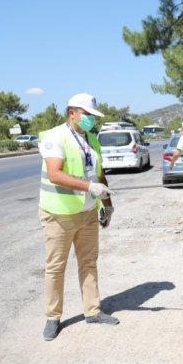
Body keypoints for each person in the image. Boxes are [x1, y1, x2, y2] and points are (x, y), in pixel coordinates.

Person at [38, 93, 119, 341]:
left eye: (93, 116)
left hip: (88, 213)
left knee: (89, 263)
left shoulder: (92, 139)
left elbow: (99, 175)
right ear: (72, 113)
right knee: (56, 267)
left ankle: (92, 311)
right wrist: (89, 187)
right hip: (59, 214)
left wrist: (107, 205)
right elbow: (55, 174)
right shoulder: (55, 137)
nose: (91, 119)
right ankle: (53, 317)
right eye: (87, 114)